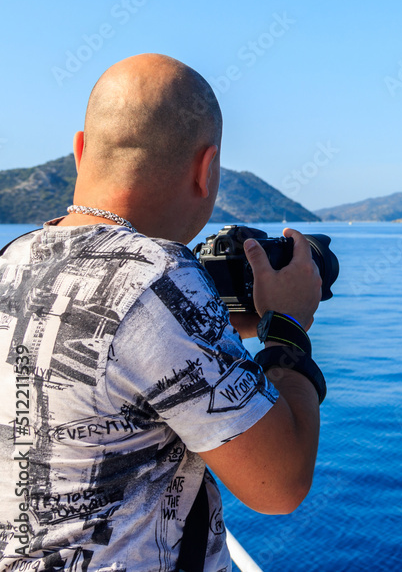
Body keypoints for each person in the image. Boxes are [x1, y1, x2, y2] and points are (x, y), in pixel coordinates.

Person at [0, 53, 323, 571]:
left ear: (81, 152)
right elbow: (279, 484)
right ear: (207, 168)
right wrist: (286, 329)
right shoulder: (157, 279)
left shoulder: (13, 260)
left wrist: (216, 324)